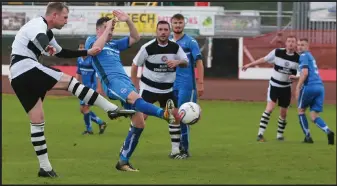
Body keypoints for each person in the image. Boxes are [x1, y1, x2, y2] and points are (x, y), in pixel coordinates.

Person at [8, 3, 135, 178]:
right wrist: (47, 47)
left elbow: (61, 52)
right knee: (69, 81)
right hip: (25, 66)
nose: (66, 21)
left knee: (37, 119)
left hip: (16, 76)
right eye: (65, 17)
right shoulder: (38, 24)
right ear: (54, 15)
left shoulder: (47, 31)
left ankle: (45, 168)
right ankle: (111, 109)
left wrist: (87, 51)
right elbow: (40, 38)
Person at [86, 10, 181, 172]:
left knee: (139, 122)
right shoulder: (91, 41)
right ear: (98, 30)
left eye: (112, 28)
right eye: (106, 28)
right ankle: (163, 114)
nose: (111, 30)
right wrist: (108, 27)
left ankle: (123, 161)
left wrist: (128, 21)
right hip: (113, 84)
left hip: (125, 81)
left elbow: (135, 38)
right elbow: (96, 48)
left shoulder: (114, 44)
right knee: (137, 99)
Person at [131, 20, 189, 159]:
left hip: (167, 90)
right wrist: (133, 85)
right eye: (160, 29)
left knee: (174, 117)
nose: (163, 32)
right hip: (148, 89)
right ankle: (128, 146)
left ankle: (175, 151)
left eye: (165, 30)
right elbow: (134, 65)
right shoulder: (148, 47)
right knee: (140, 118)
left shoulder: (175, 48)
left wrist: (178, 62)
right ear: (156, 31)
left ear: (169, 32)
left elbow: (186, 62)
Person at [242, 36, 300, 142]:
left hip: (286, 88)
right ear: (286, 43)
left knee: (283, 113)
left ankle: (279, 135)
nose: (291, 43)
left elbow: (302, 75)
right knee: (269, 109)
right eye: (289, 41)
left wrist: (296, 77)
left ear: (296, 44)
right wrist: (250, 64)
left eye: (293, 42)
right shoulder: (277, 52)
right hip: (274, 86)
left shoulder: (298, 58)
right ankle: (260, 134)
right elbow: (264, 59)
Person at [169, 13, 205, 158]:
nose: (178, 25)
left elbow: (199, 62)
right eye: (175, 23)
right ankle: (176, 149)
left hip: (187, 85)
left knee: (184, 117)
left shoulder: (191, 42)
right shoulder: (169, 42)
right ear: (171, 24)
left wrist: (200, 83)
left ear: (184, 24)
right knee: (174, 117)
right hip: (172, 85)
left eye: (180, 23)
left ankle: (185, 149)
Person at [295, 38, 334, 145]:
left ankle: (308, 137)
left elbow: (305, 73)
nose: (299, 47)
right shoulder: (310, 56)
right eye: (298, 45)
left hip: (309, 86)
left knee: (301, 110)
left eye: (302, 45)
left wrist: (298, 87)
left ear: (307, 47)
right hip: (320, 87)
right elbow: (308, 72)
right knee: (314, 116)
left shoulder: (303, 56)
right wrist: (296, 77)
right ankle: (328, 131)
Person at [75, 42, 107, 135]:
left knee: (85, 109)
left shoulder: (92, 60)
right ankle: (101, 123)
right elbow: (78, 72)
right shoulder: (79, 59)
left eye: (83, 47)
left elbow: (99, 74)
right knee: (83, 109)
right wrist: (76, 84)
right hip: (83, 87)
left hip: (91, 87)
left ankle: (89, 130)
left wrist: (99, 88)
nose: (81, 49)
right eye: (79, 47)